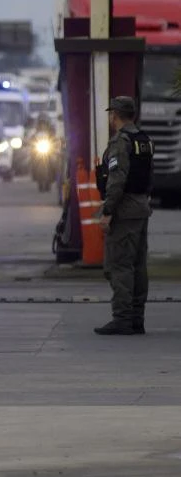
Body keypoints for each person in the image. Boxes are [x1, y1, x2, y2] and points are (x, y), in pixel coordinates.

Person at [94, 96, 154, 336]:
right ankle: (136, 318)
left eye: (111, 114)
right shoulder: (145, 140)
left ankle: (122, 319)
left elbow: (117, 180)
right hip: (141, 207)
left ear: (115, 115)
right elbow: (150, 176)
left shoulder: (121, 142)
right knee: (138, 265)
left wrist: (108, 210)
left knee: (120, 265)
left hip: (124, 210)